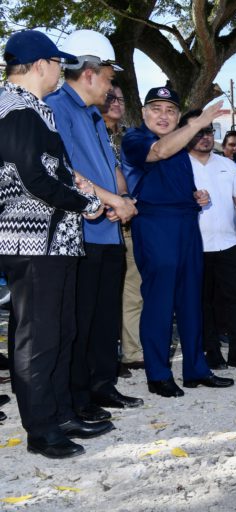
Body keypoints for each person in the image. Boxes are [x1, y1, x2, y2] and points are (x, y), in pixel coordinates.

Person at [0, 30, 131, 458]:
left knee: (61, 332)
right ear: (41, 65)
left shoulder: (37, 109)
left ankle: (61, 414)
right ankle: (41, 430)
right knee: (37, 339)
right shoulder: (15, 108)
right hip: (31, 242)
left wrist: (85, 200)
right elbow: (32, 179)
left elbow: (56, 170)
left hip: (56, 241)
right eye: (59, 63)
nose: (63, 71)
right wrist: (87, 203)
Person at [46, 29, 143, 420]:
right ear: (88, 73)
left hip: (107, 233)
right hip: (81, 233)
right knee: (81, 320)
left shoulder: (92, 116)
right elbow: (69, 173)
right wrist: (112, 201)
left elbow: (105, 170)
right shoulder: (57, 108)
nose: (111, 83)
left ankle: (103, 386)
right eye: (108, 75)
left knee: (105, 317)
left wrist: (123, 202)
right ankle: (79, 397)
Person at [121, 86, 233, 397]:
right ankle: (158, 375)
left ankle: (196, 369)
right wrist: (196, 123)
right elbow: (158, 152)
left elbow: (172, 177)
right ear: (144, 113)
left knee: (190, 299)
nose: (164, 115)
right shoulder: (136, 138)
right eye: (156, 109)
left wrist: (196, 196)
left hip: (186, 224)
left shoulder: (181, 149)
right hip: (156, 225)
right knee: (159, 301)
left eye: (171, 110)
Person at [181, 110, 236, 370]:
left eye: (209, 131)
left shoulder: (227, 164)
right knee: (204, 302)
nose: (205, 137)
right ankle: (211, 351)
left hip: (230, 244)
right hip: (195, 247)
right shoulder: (178, 165)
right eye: (199, 131)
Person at [101, 83, 145, 375]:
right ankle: (105, 357)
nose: (117, 103)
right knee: (103, 296)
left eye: (120, 98)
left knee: (133, 293)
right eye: (110, 97)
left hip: (129, 225)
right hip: (99, 224)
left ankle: (132, 353)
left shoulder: (126, 138)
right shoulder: (88, 134)